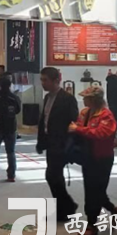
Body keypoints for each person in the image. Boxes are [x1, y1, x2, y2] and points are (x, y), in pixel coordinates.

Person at [68, 86, 117, 235]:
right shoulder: (84, 113)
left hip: (102, 158)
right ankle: (114, 210)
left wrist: (78, 130)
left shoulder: (107, 116)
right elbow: (78, 126)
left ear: (94, 100)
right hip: (87, 157)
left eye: (86, 98)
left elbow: (102, 133)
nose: (84, 100)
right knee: (93, 190)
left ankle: (92, 225)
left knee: (95, 191)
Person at [36, 67, 78, 221]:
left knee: (52, 175)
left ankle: (67, 207)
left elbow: (74, 123)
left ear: (56, 81)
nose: (42, 83)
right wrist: (41, 141)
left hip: (61, 144)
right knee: (54, 177)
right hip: (50, 143)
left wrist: (68, 145)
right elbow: (44, 121)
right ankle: (65, 208)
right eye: (41, 80)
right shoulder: (47, 97)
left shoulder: (68, 99)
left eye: (45, 80)